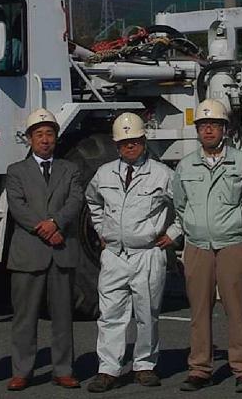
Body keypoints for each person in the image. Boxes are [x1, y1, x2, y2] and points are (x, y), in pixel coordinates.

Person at [84, 112, 181, 392]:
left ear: (143, 141)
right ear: (116, 145)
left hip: (147, 253)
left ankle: (145, 365)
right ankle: (108, 369)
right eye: (124, 142)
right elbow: (93, 201)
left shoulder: (162, 174)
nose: (130, 146)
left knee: (146, 314)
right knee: (110, 315)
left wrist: (173, 233)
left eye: (135, 141)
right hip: (114, 254)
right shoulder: (104, 174)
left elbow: (185, 205)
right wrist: (101, 229)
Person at [173, 98, 242, 393]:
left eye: (214, 125)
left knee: (237, 309)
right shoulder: (185, 166)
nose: (208, 130)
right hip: (197, 246)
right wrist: (192, 227)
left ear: (225, 129)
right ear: (197, 130)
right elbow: (180, 205)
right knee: (199, 311)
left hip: (232, 243)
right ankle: (200, 368)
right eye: (203, 125)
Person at [5, 108, 84, 391]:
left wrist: (56, 223)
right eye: (39, 134)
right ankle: (22, 371)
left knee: (63, 317)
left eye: (49, 134)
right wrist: (43, 228)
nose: (45, 139)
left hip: (61, 251)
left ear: (56, 138)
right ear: (30, 139)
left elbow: (75, 200)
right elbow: (18, 206)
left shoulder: (70, 169)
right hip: (29, 252)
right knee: (24, 318)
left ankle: (63, 369)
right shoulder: (16, 171)